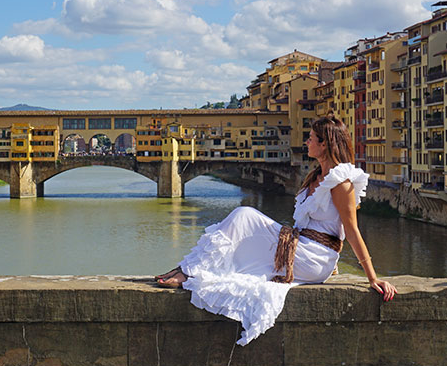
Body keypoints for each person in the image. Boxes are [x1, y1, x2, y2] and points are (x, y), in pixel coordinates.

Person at [155, 113, 397, 345]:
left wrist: (372, 278)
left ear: (324, 145)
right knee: (244, 224)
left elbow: (351, 231)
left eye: (311, 138)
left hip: (314, 257)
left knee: (244, 215)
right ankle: (190, 270)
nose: (307, 142)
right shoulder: (315, 177)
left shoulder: (341, 183)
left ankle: (190, 272)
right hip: (301, 247)